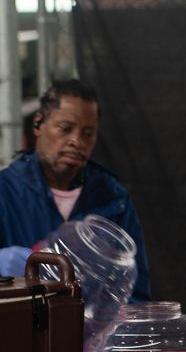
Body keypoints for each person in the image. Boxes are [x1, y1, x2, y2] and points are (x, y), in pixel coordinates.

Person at [0, 78, 150, 300]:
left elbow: (136, 290)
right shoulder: (5, 192)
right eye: (65, 128)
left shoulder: (113, 199)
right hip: (20, 330)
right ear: (38, 124)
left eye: (88, 134)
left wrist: (109, 324)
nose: (76, 141)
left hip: (94, 332)